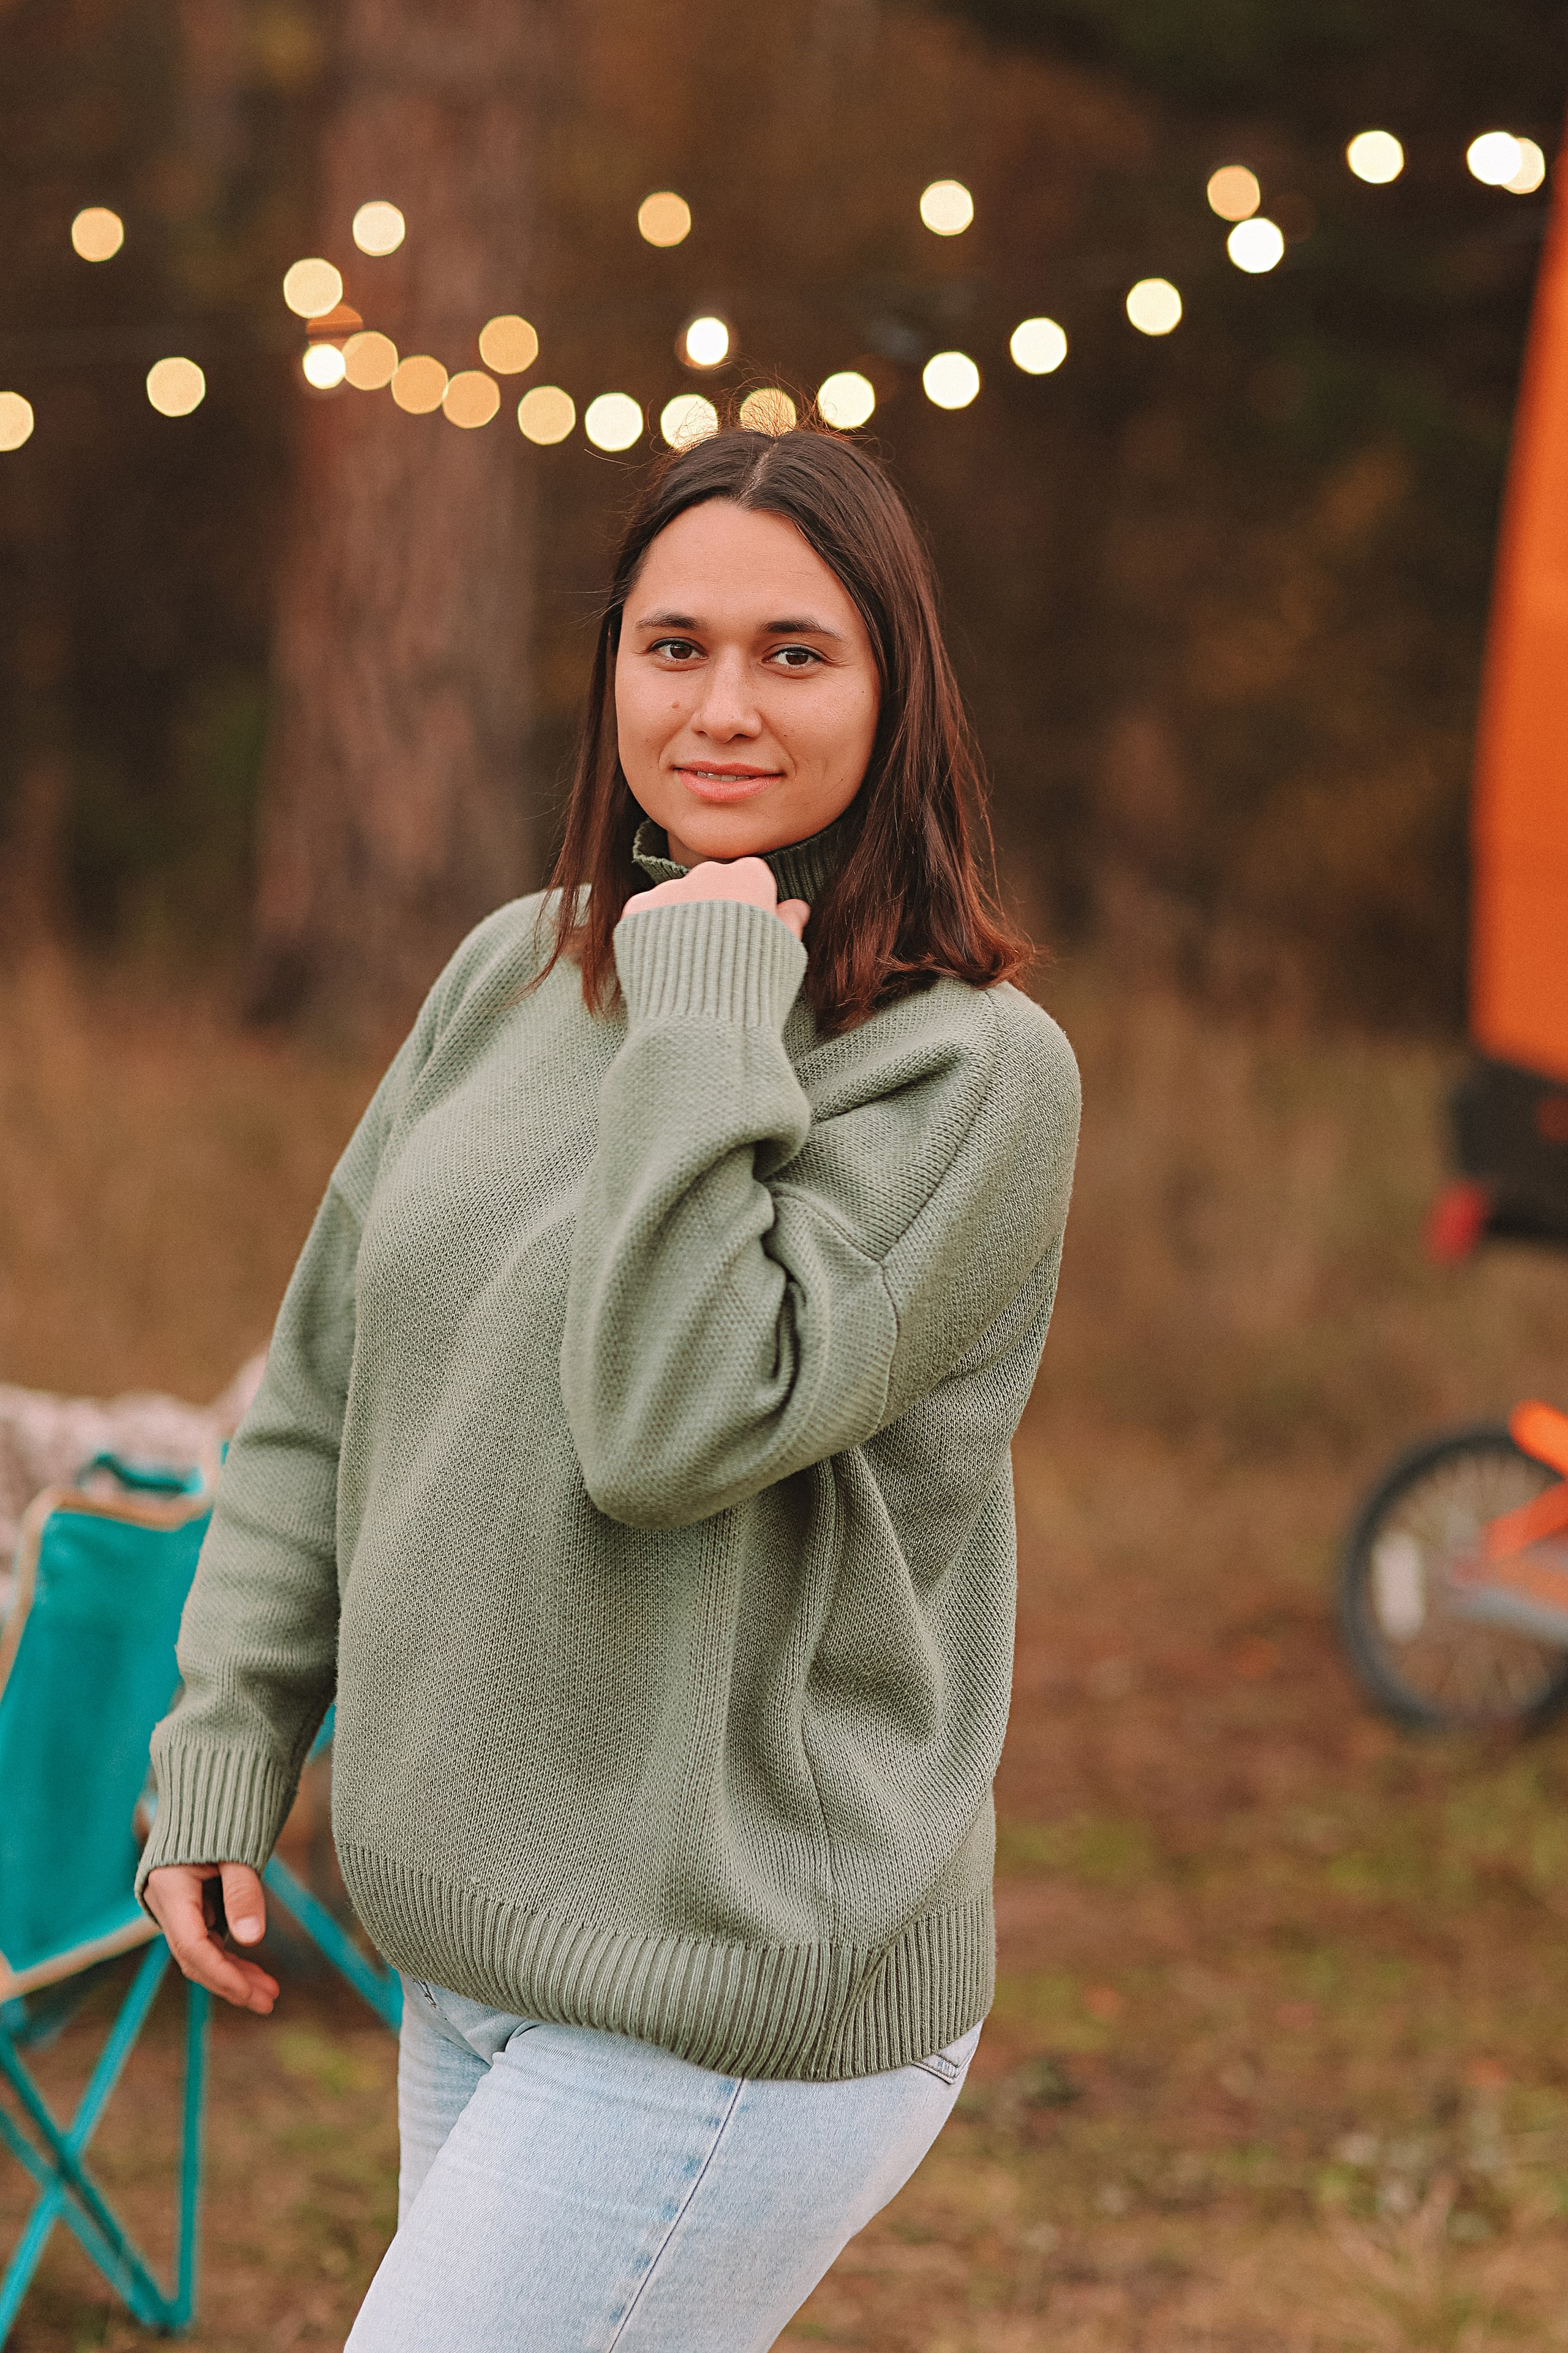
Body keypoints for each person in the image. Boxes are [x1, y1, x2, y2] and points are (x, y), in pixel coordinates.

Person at [140, 423, 1080, 2350]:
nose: (723, 706)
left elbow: (675, 1428)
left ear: (895, 691)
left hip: (731, 1985)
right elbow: (318, 1393)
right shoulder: (510, 972)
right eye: (675, 647)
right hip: (471, 1941)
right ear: (612, 675)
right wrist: (229, 1737)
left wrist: (710, 1008)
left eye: (794, 654)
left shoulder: (972, 1075)